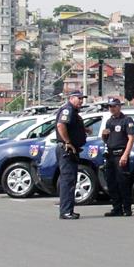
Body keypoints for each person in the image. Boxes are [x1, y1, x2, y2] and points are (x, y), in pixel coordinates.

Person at [56, 90, 87, 220]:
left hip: (72, 149)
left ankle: (68, 209)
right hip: (66, 149)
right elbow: (61, 125)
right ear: (71, 98)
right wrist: (68, 142)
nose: (81, 101)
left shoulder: (74, 112)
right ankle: (65, 211)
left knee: (71, 180)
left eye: (82, 99)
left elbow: (70, 127)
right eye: (79, 98)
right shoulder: (67, 110)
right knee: (68, 180)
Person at [101, 97, 134, 217]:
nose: (112, 108)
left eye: (114, 106)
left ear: (119, 107)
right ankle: (116, 208)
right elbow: (107, 139)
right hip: (110, 155)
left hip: (120, 154)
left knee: (123, 182)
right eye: (110, 106)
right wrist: (103, 135)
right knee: (111, 182)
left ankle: (126, 208)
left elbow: (131, 138)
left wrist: (125, 155)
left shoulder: (126, 120)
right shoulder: (109, 121)